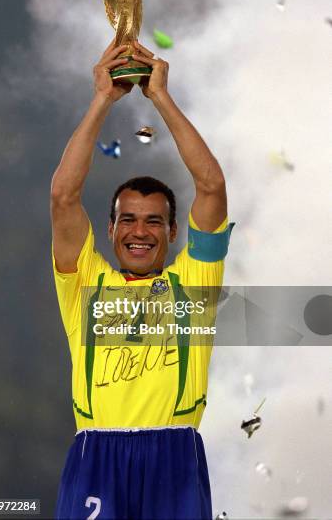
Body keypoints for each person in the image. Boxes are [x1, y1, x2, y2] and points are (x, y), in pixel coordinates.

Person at [51, 39, 234, 520]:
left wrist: (161, 98)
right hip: (96, 459)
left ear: (174, 232)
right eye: (128, 220)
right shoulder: (84, 282)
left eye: (154, 221)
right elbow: (64, 198)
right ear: (108, 230)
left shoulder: (195, 279)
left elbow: (212, 186)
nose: (139, 232)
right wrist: (101, 100)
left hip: (174, 458)